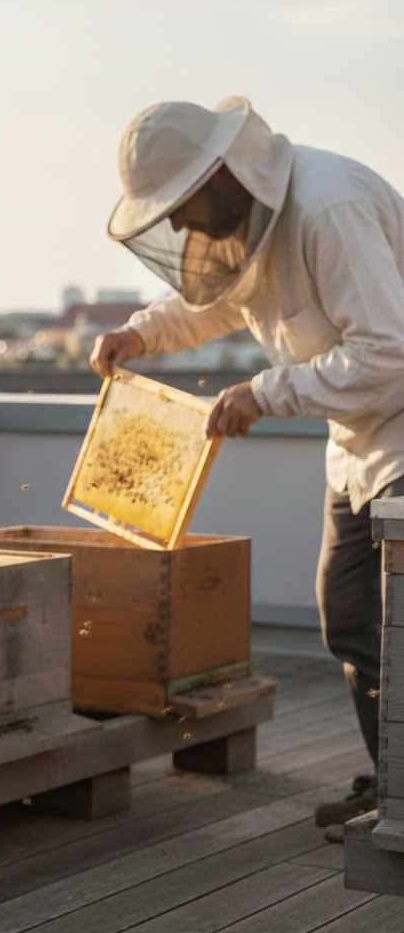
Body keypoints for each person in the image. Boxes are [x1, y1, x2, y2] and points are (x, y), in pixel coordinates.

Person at [91, 97, 404, 836]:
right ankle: (393, 784)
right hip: (356, 439)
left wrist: (265, 392)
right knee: (350, 616)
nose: (177, 225)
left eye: (181, 202)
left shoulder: (330, 210)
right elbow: (223, 301)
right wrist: (140, 333)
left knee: (399, 626)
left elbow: (388, 352)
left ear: (224, 172)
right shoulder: (252, 218)